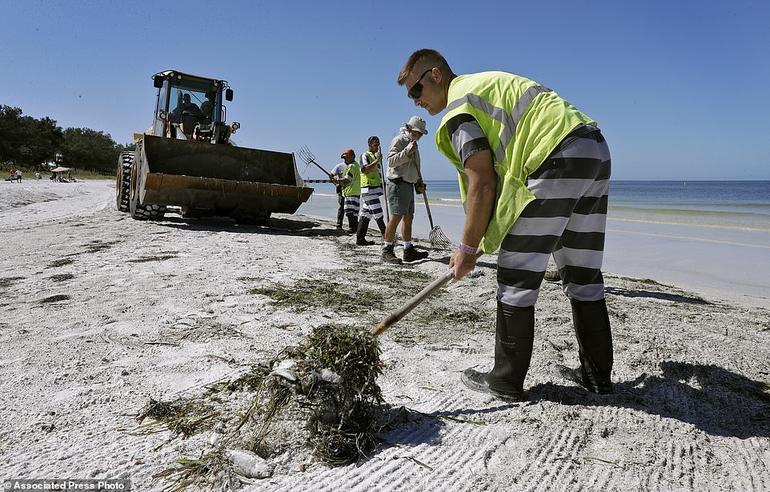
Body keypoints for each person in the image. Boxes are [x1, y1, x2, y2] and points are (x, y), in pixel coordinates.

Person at [397, 49, 613, 401]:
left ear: (435, 76)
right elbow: (498, 185)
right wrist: (477, 238)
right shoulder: (484, 86)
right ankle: (597, 376)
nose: (415, 102)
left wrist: (467, 249)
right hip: (593, 148)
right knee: (583, 273)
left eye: (415, 91)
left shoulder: (459, 108)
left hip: (554, 155)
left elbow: (482, 182)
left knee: (516, 275)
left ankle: (505, 379)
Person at [382, 116, 430, 264]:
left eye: (421, 133)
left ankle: (408, 250)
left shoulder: (413, 144)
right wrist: (408, 150)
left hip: (408, 185)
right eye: (417, 132)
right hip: (397, 184)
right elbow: (391, 161)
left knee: (409, 217)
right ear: (409, 129)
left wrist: (418, 183)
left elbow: (413, 168)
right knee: (396, 217)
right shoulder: (400, 140)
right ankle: (387, 250)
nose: (420, 135)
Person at [356, 136, 388, 246]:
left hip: (373, 189)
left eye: (378, 144)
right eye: (375, 145)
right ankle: (387, 238)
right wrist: (377, 160)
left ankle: (360, 239)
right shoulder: (365, 155)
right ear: (369, 145)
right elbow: (365, 169)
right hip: (368, 189)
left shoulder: (375, 156)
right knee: (378, 213)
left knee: (366, 214)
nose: (377, 147)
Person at [338, 149, 361, 233]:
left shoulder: (351, 166)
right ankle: (356, 228)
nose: (345, 160)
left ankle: (352, 228)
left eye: (347, 157)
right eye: (344, 158)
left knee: (349, 211)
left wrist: (338, 180)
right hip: (357, 192)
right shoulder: (357, 165)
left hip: (350, 192)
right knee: (355, 212)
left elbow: (348, 179)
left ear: (353, 156)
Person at [329, 160, 347, 230]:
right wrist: (336, 184)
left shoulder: (354, 166)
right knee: (342, 208)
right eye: (345, 157)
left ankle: (353, 226)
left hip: (352, 191)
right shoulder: (339, 166)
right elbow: (331, 176)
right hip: (341, 190)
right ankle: (339, 225)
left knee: (351, 209)